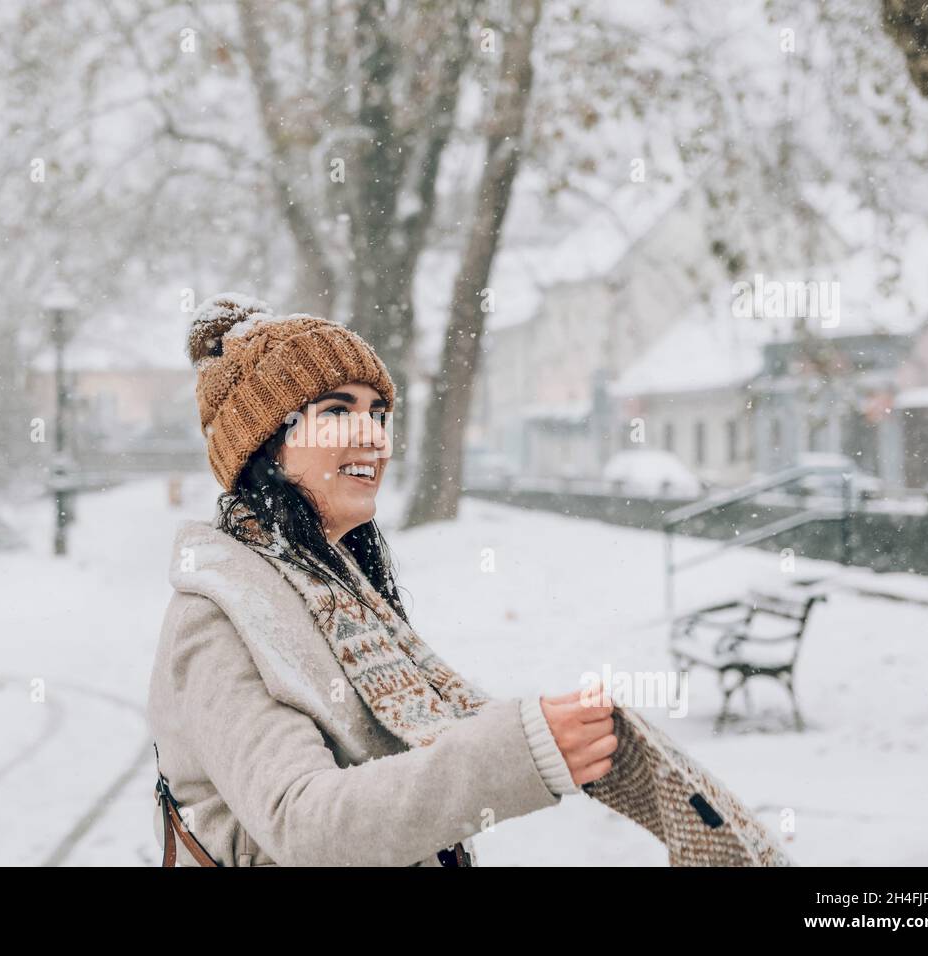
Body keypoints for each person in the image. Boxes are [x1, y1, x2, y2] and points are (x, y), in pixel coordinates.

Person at [146, 292, 617, 866]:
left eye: (379, 413)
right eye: (338, 412)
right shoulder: (218, 612)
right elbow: (304, 821)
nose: (373, 437)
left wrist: (558, 728)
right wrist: (524, 752)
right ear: (266, 446)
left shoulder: (336, 588)